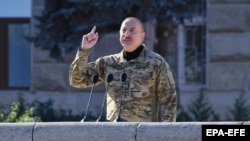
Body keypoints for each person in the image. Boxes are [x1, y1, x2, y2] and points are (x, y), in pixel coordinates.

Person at [69, 17, 177, 122]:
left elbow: (169, 100)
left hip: (143, 134)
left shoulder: (156, 63)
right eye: (123, 30)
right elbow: (77, 81)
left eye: (132, 31)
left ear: (142, 36)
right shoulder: (108, 63)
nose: (127, 34)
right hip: (113, 133)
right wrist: (84, 50)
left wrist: (164, 133)